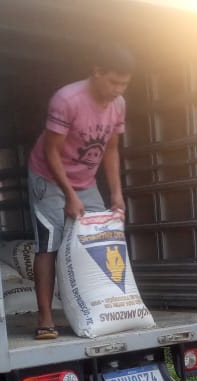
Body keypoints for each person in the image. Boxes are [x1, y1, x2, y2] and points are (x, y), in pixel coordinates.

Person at [27, 46, 134, 339]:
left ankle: (103, 309)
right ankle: (45, 317)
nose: (118, 89)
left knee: (101, 238)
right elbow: (51, 152)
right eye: (113, 82)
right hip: (49, 177)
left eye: (124, 84)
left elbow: (111, 149)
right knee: (49, 243)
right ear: (97, 71)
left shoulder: (118, 104)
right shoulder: (67, 100)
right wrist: (69, 196)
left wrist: (116, 193)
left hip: (86, 181)